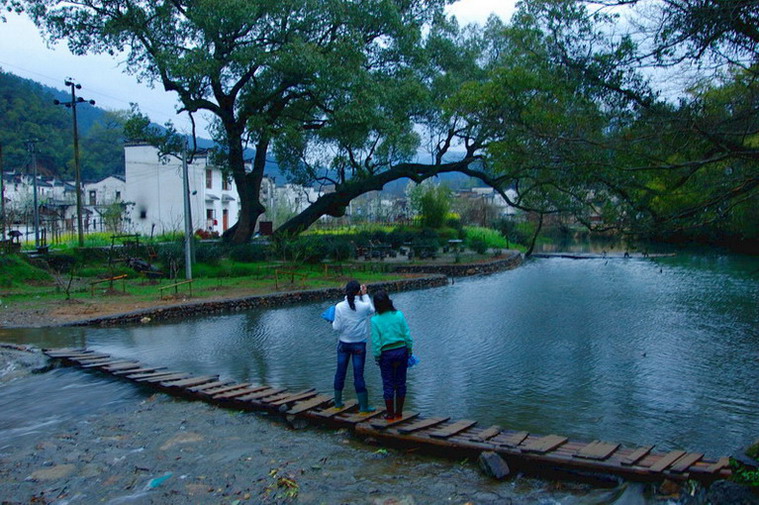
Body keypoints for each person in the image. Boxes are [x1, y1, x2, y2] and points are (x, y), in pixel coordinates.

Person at [332, 280, 375, 412]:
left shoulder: (339, 306)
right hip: (359, 345)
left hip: (344, 344)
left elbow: (336, 328)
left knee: (340, 372)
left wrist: (332, 321)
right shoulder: (363, 306)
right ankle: (363, 406)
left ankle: (338, 403)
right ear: (358, 292)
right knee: (358, 375)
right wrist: (365, 294)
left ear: (345, 291)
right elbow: (372, 310)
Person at [370, 290, 413, 420]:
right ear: (389, 301)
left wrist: (377, 356)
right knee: (401, 383)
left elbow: (376, 342)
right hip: (401, 351)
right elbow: (407, 335)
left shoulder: (375, 320)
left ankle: (390, 414)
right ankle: (399, 413)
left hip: (386, 354)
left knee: (388, 384)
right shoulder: (399, 315)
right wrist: (409, 350)